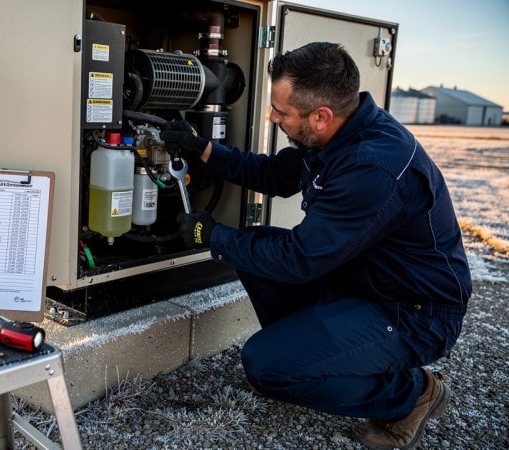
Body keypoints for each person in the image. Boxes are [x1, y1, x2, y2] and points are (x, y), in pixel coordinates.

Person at [160, 42, 470, 450]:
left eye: (282, 112)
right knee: (255, 246)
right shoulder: (340, 134)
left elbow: (299, 261)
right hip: (369, 284)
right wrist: (202, 149)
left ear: (320, 117)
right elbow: (274, 174)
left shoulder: (372, 166)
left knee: (266, 366)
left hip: (415, 312)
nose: (273, 118)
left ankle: (412, 394)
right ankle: (313, 355)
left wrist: (212, 237)